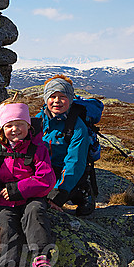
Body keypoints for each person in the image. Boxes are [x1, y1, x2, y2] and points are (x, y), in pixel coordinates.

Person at [0, 100, 57, 267]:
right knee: (2, 227)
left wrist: (16, 190)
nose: (15, 129)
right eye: (9, 125)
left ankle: (41, 259)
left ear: (28, 125)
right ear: (2, 127)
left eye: (20, 124)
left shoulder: (38, 148)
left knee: (35, 214)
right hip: (4, 203)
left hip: (31, 197)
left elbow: (47, 179)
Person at [37, 75, 95, 216]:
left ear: (70, 98)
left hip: (64, 169)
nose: (57, 101)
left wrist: (57, 195)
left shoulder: (77, 127)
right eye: (52, 96)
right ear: (46, 99)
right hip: (44, 169)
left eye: (62, 96)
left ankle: (82, 191)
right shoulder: (39, 120)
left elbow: (75, 162)